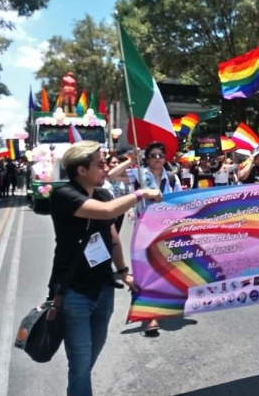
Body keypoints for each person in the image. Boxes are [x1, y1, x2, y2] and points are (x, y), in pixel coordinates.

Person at [49, 141, 161, 396]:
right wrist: (142, 193)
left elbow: (112, 237)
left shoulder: (102, 193)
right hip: (74, 291)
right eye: (100, 164)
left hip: (103, 289)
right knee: (79, 363)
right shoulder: (64, 195)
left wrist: (124, 272)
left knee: (88, 360)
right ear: (81, 170)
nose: (105, 169)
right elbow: (105, 212)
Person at [129, 141, 182, 334]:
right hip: (144, 230)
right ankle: (150, 317)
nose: (157, 158)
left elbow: (181, 202)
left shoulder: (172, 177)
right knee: (146, 271)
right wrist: (131, 160)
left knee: (163, 271)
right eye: (153, 155)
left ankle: (158, 307)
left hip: (165, 230)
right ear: (147, 159)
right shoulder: (140, 176)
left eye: (160, 155)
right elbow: (112, 176)